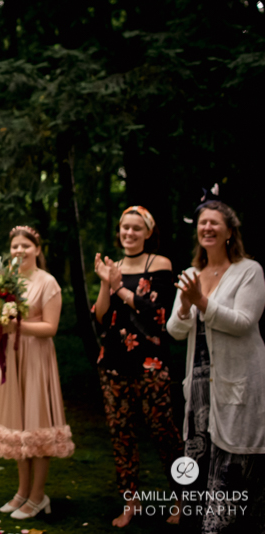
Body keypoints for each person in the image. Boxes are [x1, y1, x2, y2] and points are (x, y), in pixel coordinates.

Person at [167, 199, 265, 533]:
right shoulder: (192, 274)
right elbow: (175, 332)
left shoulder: (249, 271)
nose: (207, 227)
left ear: (229, 231)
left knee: (234, 462)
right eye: (202, 223)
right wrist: (183, 307)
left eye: (215, 223)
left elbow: (244, 322)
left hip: (236, 379)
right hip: (199, 384)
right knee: (199, 458)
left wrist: (202, 302)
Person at [93, 206, 183, 528]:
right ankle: (131, 503)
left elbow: (157, 313)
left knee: (163, 431)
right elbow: (101, 317)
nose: (129, 233)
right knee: (121, 434)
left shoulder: (159, 264)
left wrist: (119, 287)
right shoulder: (113, 267)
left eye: (136, 228)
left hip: (150, 361)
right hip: (114, 362)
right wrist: (106, 284)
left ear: (147, 232)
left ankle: (182, 496)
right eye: (124, 228)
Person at [0, 225, 74, 520]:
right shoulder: (7, 281)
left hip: (35, 359)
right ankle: (22, 491)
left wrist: (15, 327)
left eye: (26, 246)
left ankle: (37, 496)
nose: (19, 251)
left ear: (37, 249)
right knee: (18, 425)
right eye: (15, 247)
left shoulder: (48, 283)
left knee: (36, 423)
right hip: (10, 356)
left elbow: (51, 327)